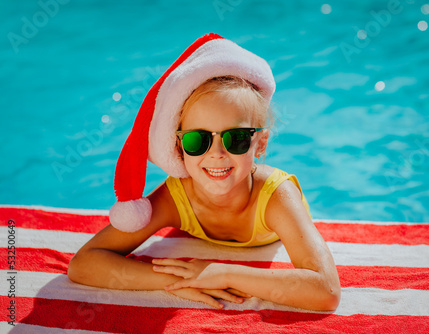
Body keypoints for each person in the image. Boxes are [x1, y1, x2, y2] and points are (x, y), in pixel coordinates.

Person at [68, 33, 340, 311]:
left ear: (260, 144)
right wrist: (182, 282)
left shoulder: (276, 197)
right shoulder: (175, 198)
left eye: (236, 138)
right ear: (179, 146)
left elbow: (326, 290)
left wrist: (220, 273)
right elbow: (84, 264)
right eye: (198, 140)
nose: (217, 154)